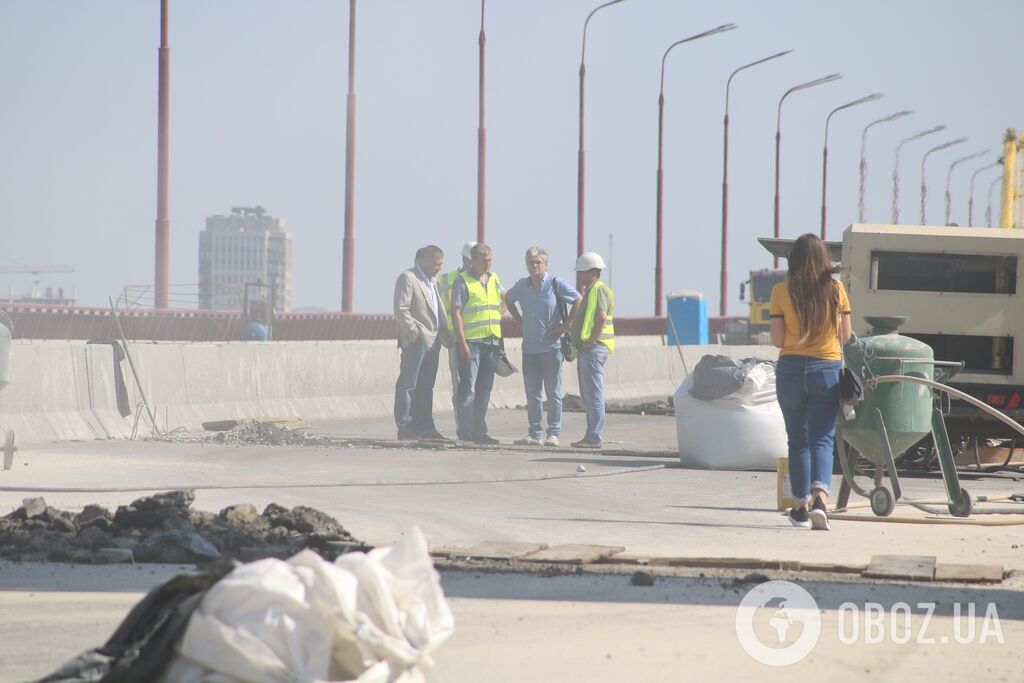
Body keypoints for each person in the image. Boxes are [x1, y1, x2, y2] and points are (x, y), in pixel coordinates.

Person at [769, 233, 852, 531]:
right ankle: (821, 500)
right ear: (824, 260)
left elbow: (778, 340)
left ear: (793, 260)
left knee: (798, 440)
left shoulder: (780, 291)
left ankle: (800, 508)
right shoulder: (836, 290)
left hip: (790, 370)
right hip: (826, 370)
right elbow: (845, 336)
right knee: (822, 439)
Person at [504, 247, 581, 447]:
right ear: (526, 265)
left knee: (553, 392)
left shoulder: (556, 284)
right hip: (529, 348)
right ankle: (535, 433)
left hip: (552, 348)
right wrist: (519, 319)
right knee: (532, 393)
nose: (534, 266)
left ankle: (553, 433)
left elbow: (577, 300)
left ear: (546, 264)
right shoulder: (521, 285)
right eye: (531, 262)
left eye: (538, 262)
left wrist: (566, 326)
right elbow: (508, 298)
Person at [393, 245, 452, 441]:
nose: (440, 268)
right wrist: (414, 334)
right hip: (417, 340)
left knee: (426, 386)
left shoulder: (431, 281)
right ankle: (406, 426)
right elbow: (401, 310)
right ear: (424, 260)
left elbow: (437, 310)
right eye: (437, 264)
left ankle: (426, 426)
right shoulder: (408, 278)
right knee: (408, 384)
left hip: (434, 341)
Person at [450, 243, 504, 444]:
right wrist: (462, 343)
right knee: (468, 388)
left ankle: (480, 431)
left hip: (491, 341)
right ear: (472, 261)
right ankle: (465, 430)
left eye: (490, 259)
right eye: (484, 260)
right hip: (471, 342)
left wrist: (499, 313)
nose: (488, 264)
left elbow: (503, 299)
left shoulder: (494, 279)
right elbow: (455, 313)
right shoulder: (462, 281)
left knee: (484, 389)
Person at [569, 252, 614, 449]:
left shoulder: (598, 290)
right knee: (589, 394)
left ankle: (594, 437)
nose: (578, 276)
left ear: (590, 272)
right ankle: (591, 435)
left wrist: (591, 340)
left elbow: (601, 317)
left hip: (594, 349)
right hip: (591, 349)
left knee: (594, 394)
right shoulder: (592, 290)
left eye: (581, 272)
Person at [438, 241, 476, 412]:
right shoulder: (445, 279)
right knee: (459, 386)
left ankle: (473, 427)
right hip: (454, 339)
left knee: (475, 386)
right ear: (464, 259)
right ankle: (463, 426)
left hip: (478, 339)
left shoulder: (487, 278)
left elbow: (506, 297)